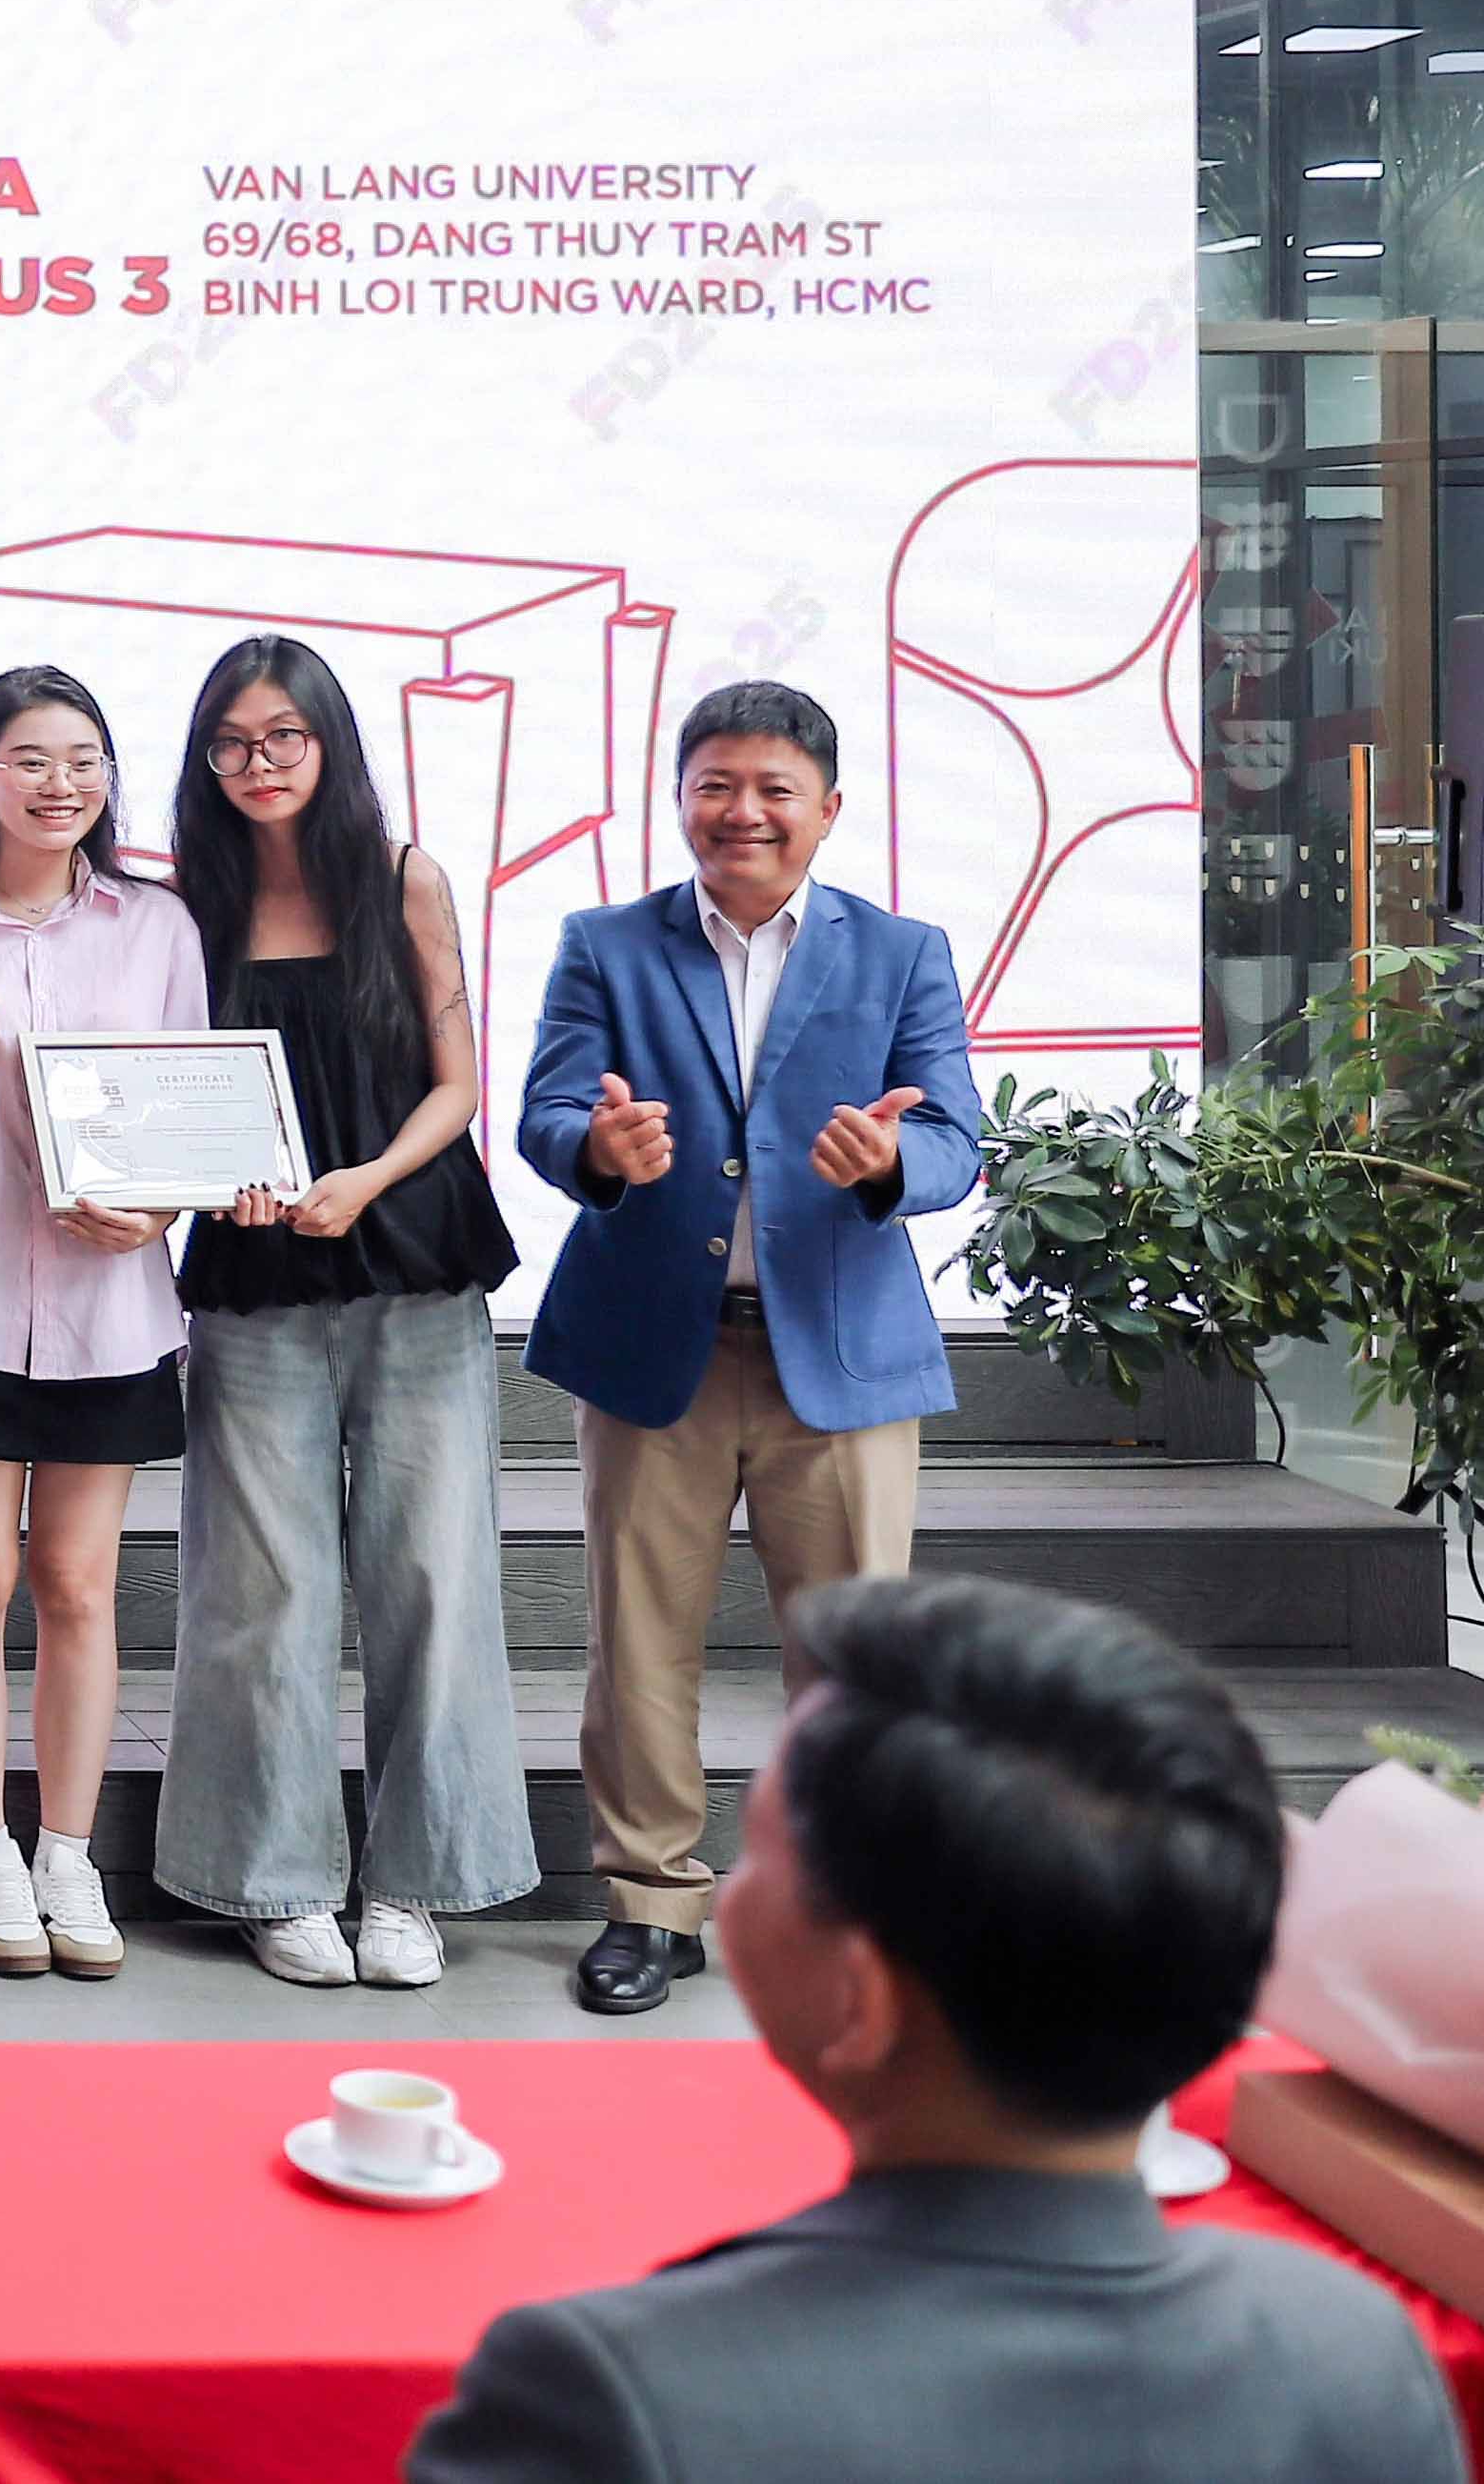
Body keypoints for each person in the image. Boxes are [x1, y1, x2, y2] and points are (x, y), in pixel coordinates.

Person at [408, 1576, 1467, 2484]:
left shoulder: (610, 2398)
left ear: (860, 1999)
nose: (729, 1892)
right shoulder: (1359, 2354)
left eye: (759, 1853)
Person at [519, 677, 982, 2015]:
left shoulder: (901, 950)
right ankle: (649, 1905)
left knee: (853, 1660)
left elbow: (955, 1136)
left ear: (828, 809)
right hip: (651, 1349)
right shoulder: (607, 942)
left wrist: (892, 1162)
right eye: (715, 785)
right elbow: (549, 1108)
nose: (744, 811)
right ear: (679, 799)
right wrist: (596, 1147)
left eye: (776, 788)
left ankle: (838, 1912)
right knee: (637, 1641)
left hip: (837, 1351)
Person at [155, 637, 530, 1989]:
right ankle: (277, 1883)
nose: (257, 764)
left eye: (283, 738)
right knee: (261, 1589)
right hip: (254, 1277)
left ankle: (416, 1886)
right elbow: (168, 1092)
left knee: (434, 1576)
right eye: (232, 743)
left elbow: (458, 1083)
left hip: (415, 1258)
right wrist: (221, 1180)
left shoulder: (404, 877)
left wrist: (365, 1178)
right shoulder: (184, 904)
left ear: (330, 742)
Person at [0, 664, 198, 1980]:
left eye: (83, 760)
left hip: (110, 1306)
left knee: (76, 1582)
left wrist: (158, 1208)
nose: (60, 784)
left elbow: (188, 1105)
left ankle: (68, 1849)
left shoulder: (157, 924)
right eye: (30, 759)